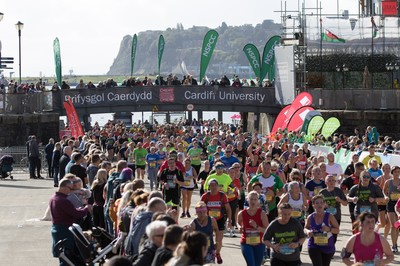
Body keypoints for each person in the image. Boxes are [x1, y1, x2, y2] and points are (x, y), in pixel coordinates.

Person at [49, 178, 92, 265]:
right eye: (70, 188)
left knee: (64, 256)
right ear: (64, 187)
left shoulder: (54, 198)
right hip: (64, 230)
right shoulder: (63, 200)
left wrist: (80, 209)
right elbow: (76, 214)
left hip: (57, 228)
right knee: (68, 256)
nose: (71, 191)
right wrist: (86, 209)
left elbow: (70, 211)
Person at [201, 178, 232, 264]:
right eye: (211, 185)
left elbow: (228, 209)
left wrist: (230, 220)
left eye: (215, 185)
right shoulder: (205, 196)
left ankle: (217, 253)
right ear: (209, 186)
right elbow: (200, 208)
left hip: (219, 219)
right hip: (208, 220)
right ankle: (209, 254)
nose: (214, 187)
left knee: (219, 240)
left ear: (218, 186)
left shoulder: (222, 196)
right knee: (208, 239)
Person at [304, 195, 339, 266]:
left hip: (327, 246)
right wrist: (308, 231)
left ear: (325, 204)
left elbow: (337, 230)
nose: (319, 204)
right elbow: (305, 228)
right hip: (314, 245)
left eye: (321, 202)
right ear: (313, 205)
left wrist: (329, 229)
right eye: (317, 203)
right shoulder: (310, 217)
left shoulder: (330, 216)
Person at [237, 191, 269, 266]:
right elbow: (238, 223)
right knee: (251, 264)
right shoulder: (242, 213)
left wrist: (256, 226)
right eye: (251, 199)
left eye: (255, 199)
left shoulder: (262, 213)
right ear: (247, 200)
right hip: (246, 243)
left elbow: (267, 230)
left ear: (258, 201)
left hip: (259, 243)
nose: (253, 202)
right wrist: (239, 227)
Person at [318, 175, 347, 243]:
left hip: (336, 216)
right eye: (329, 180)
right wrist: (323, 205)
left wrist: (340, 200)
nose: (331, 182)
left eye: (333, 180)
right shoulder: (322, 192)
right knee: (325, 234)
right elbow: (317, 205)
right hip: (325, 217)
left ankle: (331, 249)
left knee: (334, 236)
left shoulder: (338, 191)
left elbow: (345, 203)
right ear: (325, 182)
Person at [383, 165, 400, 252]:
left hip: (399, 204)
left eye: (398, 172)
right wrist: (386, 196)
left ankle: (395, 243)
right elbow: (384, 190)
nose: (397, 174)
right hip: (390, 204)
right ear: (392, 172)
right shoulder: (388, 182)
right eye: (395, 172)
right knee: (393, 225)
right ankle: (394, 245)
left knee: (397, 226)